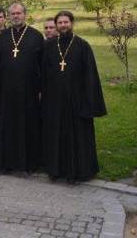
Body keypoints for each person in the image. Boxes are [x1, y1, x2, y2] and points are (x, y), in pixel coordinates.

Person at [42, 10, 107, 183]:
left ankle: (80, 171)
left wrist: (88, 101)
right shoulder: (49, 46)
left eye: (66, 22)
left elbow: (90, 75)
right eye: (60, 23)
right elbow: (43, 73)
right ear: (56, 25)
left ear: (72, 23)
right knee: (56, 134)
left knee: (78, 135)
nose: (63, 25)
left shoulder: (82, 45)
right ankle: (56, 170)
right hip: (55, 99)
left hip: (76, 99)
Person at [0, 3, 44, 173]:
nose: (15, 16)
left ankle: (29, 163)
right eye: (12, 14)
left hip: (29, 91)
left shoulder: (36, 36)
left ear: (25, 14)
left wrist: (40, 89)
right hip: (7, 91)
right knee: (8, 126)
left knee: (28, 126)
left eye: (18, 13)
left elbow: (42, 66)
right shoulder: (3, 37)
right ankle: (7, 162)